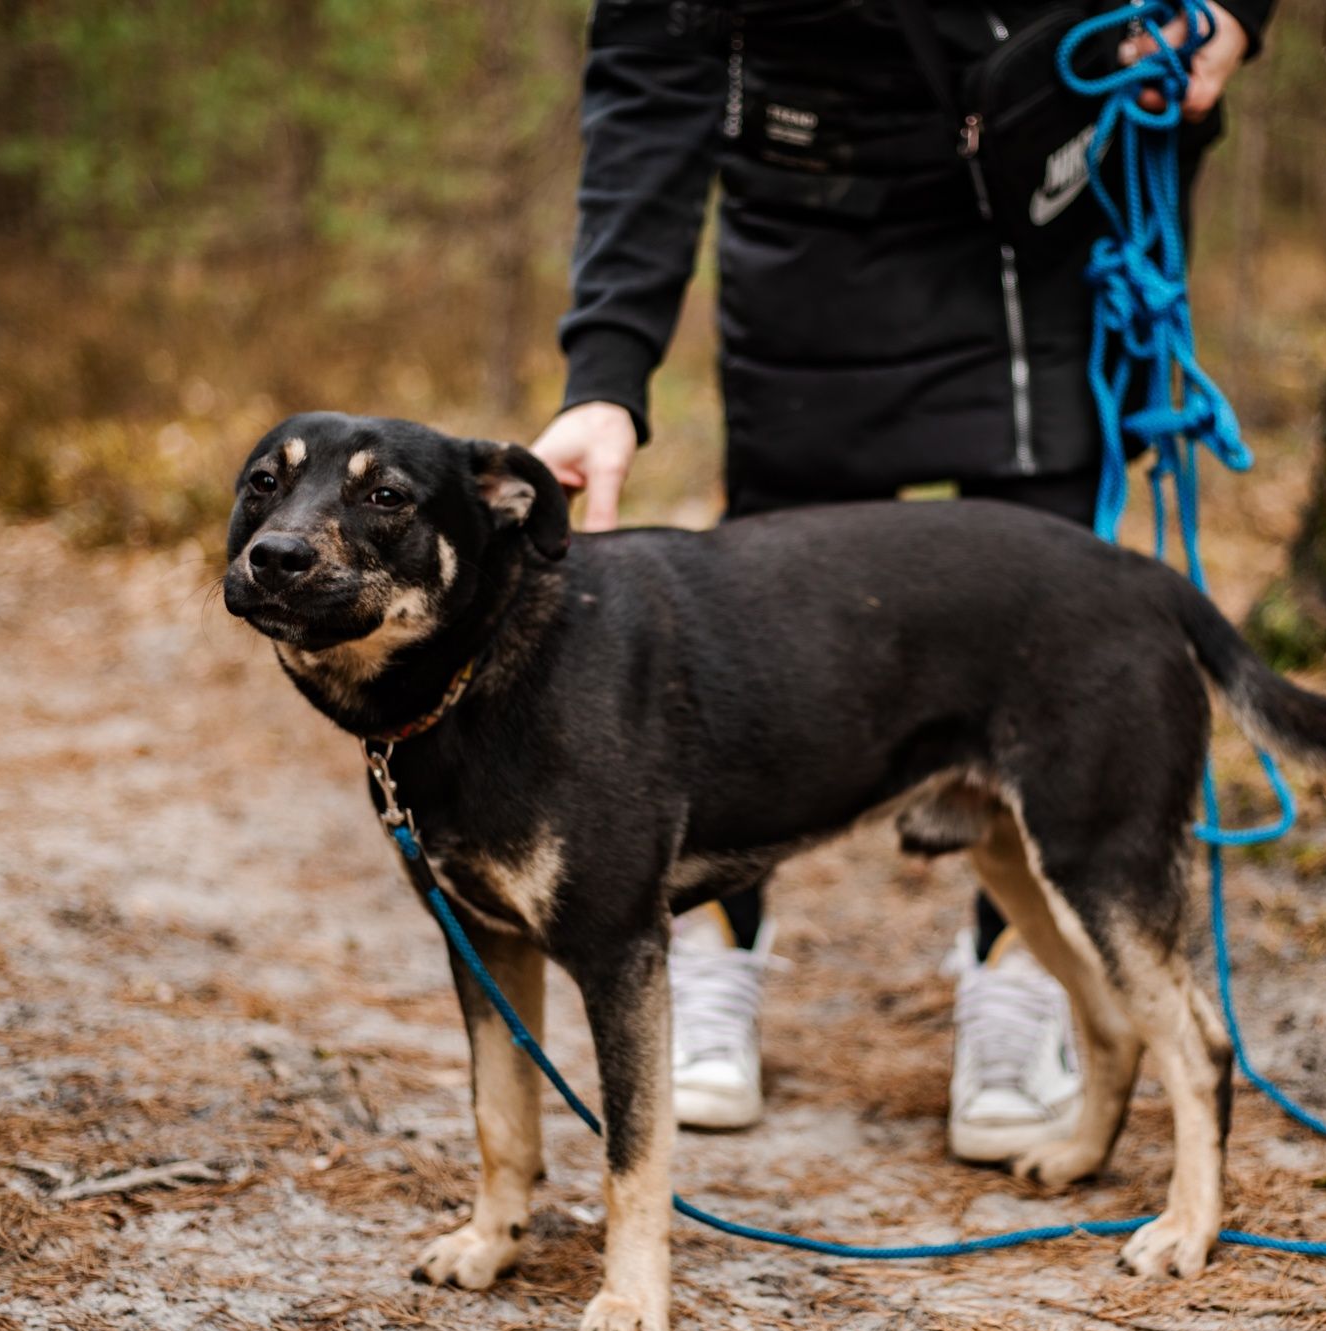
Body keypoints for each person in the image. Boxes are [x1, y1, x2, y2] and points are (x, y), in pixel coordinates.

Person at [531, 0, 1272, 1162]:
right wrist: (606, 373)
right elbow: (651, 71)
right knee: (755, 646)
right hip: (807, 228)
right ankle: (710, 957)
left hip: (1049, 200)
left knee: (1048, 642)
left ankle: (1025, 982)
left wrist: (1234, 8)